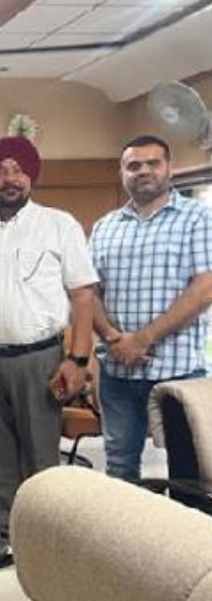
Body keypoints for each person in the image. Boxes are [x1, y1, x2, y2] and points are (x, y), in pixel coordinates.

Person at [0, 136, 97, 570]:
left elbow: (83, 295)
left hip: (41, 359)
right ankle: (8, 537)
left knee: (41, 457)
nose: (9, 179)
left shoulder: (59, 224)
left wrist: (77, 359)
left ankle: (49, 548)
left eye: (18, 170)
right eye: (0, 173)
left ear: (31, 175)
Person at [90, 134, 212, 481]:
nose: (143, 171)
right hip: (118, 372)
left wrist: (143, 339)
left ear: (169, 168)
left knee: (187, 468)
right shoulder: (105, 227)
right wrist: (114, 338)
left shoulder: (199, 219)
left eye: (153, 163)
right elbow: (88, 292)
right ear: (122, 173)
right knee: (120, 466)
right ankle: (125, 521)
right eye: (133, 165)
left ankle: (183, 520)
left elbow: (205, 288)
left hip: (178, 371)